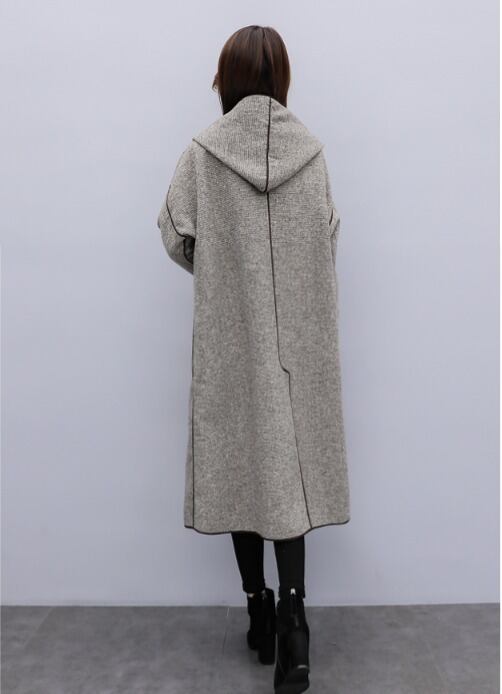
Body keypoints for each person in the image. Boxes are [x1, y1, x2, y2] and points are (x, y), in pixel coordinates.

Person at [157, 24, 350, 694]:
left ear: (228, 78)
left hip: (232, 340)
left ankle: (258, 612)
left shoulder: (203, 153)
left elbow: (173, 231)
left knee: (242, 470)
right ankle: (295, 623)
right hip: (300, 346)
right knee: (287, 480)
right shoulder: (312, 153)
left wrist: (220, 273)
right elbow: (328, 234)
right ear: (282, 77)